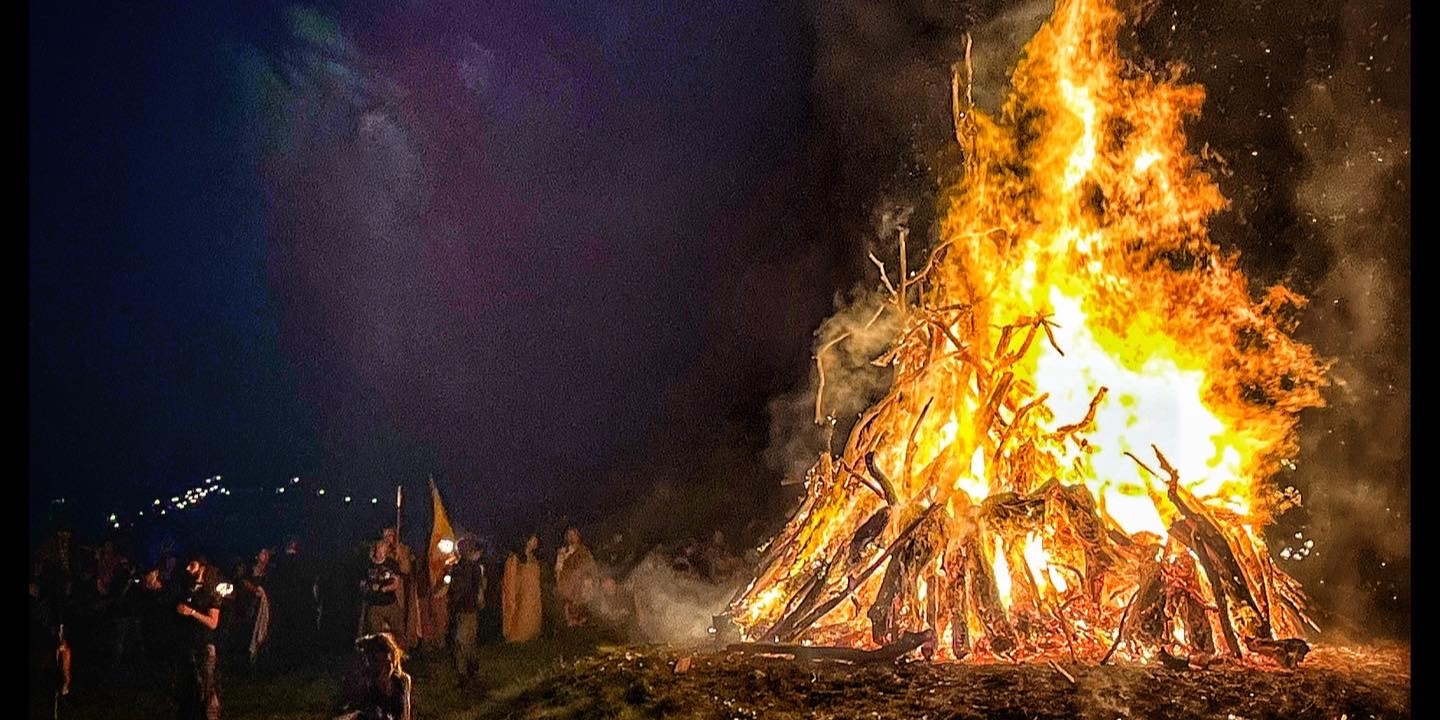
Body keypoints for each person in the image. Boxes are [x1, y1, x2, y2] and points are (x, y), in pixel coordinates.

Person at [174, 555, 223, 720]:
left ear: (202, 566)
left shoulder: (211, 592)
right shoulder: (188, 587)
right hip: (190, 643)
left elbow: (213, 622)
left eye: (192, 564)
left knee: (208, 687)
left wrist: (192, 612)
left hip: (205, 644)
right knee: (192, 687)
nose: (188, 568)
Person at [334, 633, 411, 720]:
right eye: (379, 662)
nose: (387, 667)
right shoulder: (367, 683)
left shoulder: (402, 680)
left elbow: (405, 714)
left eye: (388, 662)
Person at [447, 538, 486, 685]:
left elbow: (477, 587)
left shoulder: (474, 568)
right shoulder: (460, 568)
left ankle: (469, 669)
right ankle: (466, 670)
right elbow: (458, 588)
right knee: (464, 640)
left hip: (468, 608)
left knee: (466, 640)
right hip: (463, 608)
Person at [378, 528, 420, 650]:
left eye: (391, 535)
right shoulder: (379, 549)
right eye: (386, 535)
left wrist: (400, 554)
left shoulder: (402, 549)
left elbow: (406, 569)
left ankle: (402, 645)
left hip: (399, 590)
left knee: (400, 617)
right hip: (384, 590)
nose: (389, 538)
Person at [501, 535, 542, 643]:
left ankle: (531, 633)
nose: (536, 541)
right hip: (522, 593)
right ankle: (518, 635)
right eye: (534, 538)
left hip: (533, 593)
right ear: (527, 541)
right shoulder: (515, 558)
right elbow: (511, 579)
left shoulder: (533, 558)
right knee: (522, 613)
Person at [554, 527, 598, 628]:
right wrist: (558, 579)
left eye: (573, 535)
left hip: (581, 581)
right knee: (568, 603)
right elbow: (559, 568)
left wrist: (590, 579)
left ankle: (580, 621)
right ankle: (570, 622)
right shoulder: (563, 551)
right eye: (569, 535)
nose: (571, 537)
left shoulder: (584, 551)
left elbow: (591, 566)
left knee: (580, 603)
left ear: (578, 536)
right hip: (567, 581)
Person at [360, 543, 404, 637]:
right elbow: (362, 583)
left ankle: (400, 650)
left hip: (390, 603)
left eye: (382, 552)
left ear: (386, 552)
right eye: (378, 552)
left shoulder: (392, 564)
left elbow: (396, 583)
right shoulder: (368, 565)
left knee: (398, 632)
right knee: (375, 634)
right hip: (374, 605)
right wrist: (368, 589)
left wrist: (386, 589)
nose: (380, 555)